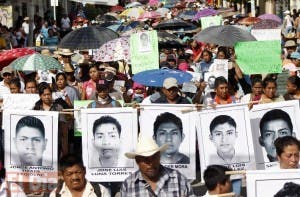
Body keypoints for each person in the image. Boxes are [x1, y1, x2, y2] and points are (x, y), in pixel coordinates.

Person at [121, 134, 195, 196]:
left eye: (154, 158)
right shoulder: (128, 185)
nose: (151, 164)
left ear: (159, 157)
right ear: (137, 161)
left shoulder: (178, 179)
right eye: (145, 160)